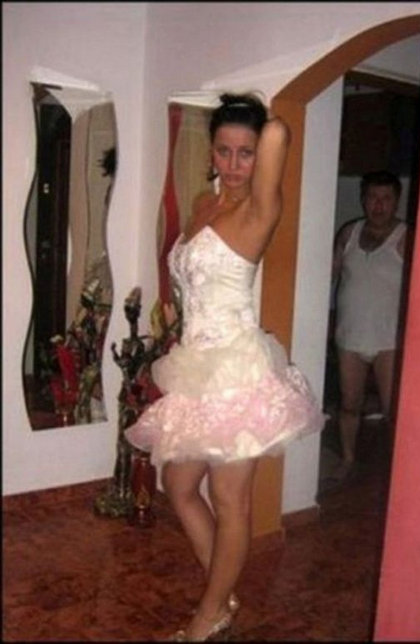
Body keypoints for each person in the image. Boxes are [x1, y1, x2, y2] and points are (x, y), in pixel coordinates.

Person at [125, 92, 326, 641]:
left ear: (260, 156)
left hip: (238, 374)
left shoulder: (260, 210)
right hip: (196, 368)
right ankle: (223, 595)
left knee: (230, 499)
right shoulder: (201, 205)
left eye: (246, 152)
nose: (234, 164)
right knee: (178, 484)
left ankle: (208, 614)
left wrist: (259, 117)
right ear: (210, 152)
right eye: (224, 150)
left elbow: (279, 133)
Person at [329, 171, 412, 486]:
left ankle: (397, 467)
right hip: (350, 336)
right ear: (364, 199)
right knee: (349, 405)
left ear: (396, 201)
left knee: (394, 410)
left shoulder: (407, 236)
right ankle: (348, 459)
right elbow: (330, 276)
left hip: (390, 340)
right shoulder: (348, 233)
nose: (379, 205)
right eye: (373, 198)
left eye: (386, 198)